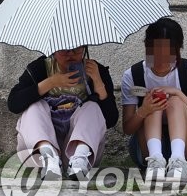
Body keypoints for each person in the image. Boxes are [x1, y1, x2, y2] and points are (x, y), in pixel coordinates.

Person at [120, 18, 187, 184]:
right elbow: (128, 128)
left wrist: (178, 93)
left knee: (175, 102)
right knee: (153, 104)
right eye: (155, 50)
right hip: (147, 149)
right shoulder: (133, 75)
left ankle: (177, 161)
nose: (161, 57)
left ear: (177, 49)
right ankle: (156, 161)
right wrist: (143, 110)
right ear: (147, 47)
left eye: (168, 51)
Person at [7, 45, 119, 179]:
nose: (70, 54)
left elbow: (111, 119)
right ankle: (49, 157)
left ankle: (79, 160)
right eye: (64, 50)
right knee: (35, 107)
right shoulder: (39, 68)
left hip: (79, 150)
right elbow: (13, 104)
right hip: (38, 154)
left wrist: (97, 81)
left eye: (77, 49)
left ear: (85, 49)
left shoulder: (95, 71)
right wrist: (50, 82)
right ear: (53, 50)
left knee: (92, 107)